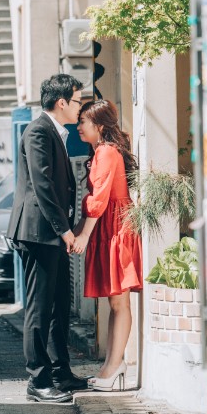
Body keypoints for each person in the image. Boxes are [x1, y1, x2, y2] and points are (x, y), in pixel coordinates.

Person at [7, 73, 87, 404]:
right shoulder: (38, 131)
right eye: (78, 101)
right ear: (62, 102)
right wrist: (66, 230)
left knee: (59, 305)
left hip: (50, 233)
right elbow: (42, 187)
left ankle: (60, 372)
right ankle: (38, 381)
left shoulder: (57, 132)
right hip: (39, 233)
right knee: (40, 308)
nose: (81, 108)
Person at [72, 99, 142, 391]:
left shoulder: (107, 153)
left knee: (119, 300)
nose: (78, 127)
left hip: (115, 228)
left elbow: (98, 199)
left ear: (99, 126)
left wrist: (83, 234)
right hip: (110, 227)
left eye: (83, 122)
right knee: (115, 302)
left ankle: (115, 365)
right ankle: (111, 366)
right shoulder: (102, 151)